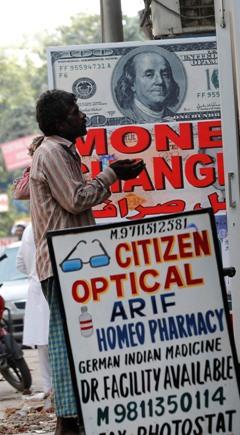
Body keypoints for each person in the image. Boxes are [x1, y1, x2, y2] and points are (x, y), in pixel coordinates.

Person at [30, 89, 144, 434]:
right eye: (75, 111)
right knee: (68, 338)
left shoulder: (61, 151)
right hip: (63, 263)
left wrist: (110, 175)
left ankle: (76, 415)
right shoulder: (52, 152)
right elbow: (76, 200)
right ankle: (67, 419)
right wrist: (111, 175)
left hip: (71, 262)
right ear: (59, 121)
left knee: (80, 337)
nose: (82, 116)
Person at [16, 223, 51, 402]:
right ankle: (56, 387)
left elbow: (20, 264)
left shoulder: (29, 229)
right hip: (49, 284)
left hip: (35, 288)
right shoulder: (48, 222)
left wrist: (32, 272)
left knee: (42, 343)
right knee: (55, 339)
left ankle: (48, 388)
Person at [114, 50, 180, 123]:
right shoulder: (127, 115)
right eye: (149, 75)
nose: (160, 81)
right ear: (132, 83)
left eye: (165, 75)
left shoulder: (175, 117)